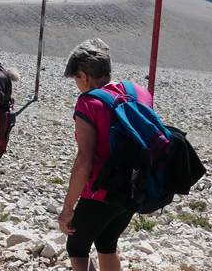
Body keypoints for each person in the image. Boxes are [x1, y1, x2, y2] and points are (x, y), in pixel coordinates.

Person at [56, 38, 149, 271]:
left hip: (101, 191)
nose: (77, 84)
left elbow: (84, 163)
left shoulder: (88, 103)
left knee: (77, 247)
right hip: (135, 187)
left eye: (76, 78)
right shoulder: (138, 92)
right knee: (107, 242)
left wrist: (68, 208)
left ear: (83, 75)